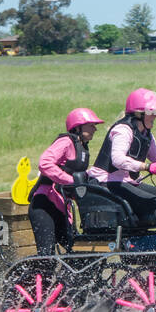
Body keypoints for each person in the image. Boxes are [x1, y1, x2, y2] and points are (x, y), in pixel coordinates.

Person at [87, 88, 156, 241]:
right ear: (139, 114)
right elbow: (118, 159)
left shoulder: (146, 134)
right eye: (151, 112)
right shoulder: (122, 130)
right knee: (155, 202)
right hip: (107, 182)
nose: (155, 116)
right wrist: (146, 167)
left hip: (126, 182)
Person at [29, 108, 104, 255]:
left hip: (61, 208)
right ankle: (34, 276)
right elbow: (45, 163)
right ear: (77, 127)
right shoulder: (66, 141)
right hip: (44, 205)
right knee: (47, 255)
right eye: (91, 125)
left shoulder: (82, 148)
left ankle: (70, 277)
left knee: (77, 250)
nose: (95, 128)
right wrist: (71, 181)